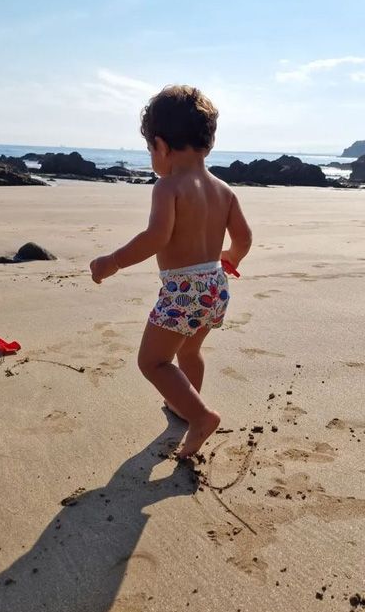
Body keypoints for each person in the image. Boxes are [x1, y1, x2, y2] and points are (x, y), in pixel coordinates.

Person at [89, 85, 253, 458]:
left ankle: (200, 416)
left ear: (160, 146)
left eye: (150, 150)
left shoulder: (168, 187)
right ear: (207, 144)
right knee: (189, 352)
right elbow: (243, 237)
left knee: (153, 361)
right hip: (215, 285)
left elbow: (155, 238)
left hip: (184, 290)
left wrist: (111, 262)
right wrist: (231, 259)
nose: (152, 157)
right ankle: (185, 407)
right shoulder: (225, 190)